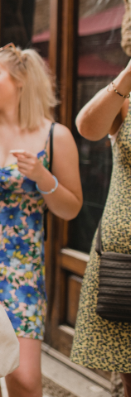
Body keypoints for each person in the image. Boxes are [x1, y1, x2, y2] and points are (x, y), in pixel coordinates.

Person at [0, 44, 83, 397]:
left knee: (25, 381)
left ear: (21, 79)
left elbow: (70, 208)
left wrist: (44, 178)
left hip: (21, 269)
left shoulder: (56, 136)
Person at [70, 58, 131, 397]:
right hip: (124, 260)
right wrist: (126, 75)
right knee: (129, 366)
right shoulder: (126, 98)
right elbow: (88, 128)